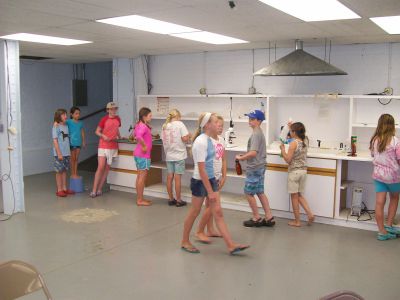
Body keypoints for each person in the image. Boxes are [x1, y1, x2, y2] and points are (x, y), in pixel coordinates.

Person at [181, 112, 249, 255]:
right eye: (214, 122)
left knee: (218, 212)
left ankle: (230, 245)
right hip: (200, 181)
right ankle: (185, 241)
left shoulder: (211, 140)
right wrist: (210, 191)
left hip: (211, 180)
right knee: (194, 212)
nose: (217, 124)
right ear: (207, 125)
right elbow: (201, 168)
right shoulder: (200, 142)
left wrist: (218, 181)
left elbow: (218, 160)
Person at [235, 110, 275, 228]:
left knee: (248, 193)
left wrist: (241, 157)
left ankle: (256, 218)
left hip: (254, 168)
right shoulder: (258, 132)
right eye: (249, 119)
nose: (250, 121)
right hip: (260, 166)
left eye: (252, 119)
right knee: (260, 192)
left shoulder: (256, 134)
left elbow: (253, 153)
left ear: (259, 121)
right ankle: (269, 217)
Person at [370, 113, 400, 241]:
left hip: (378, 176)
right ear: (392, 126)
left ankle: (382, 231)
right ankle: (389, 225)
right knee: (394, 198)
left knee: (379, 203)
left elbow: (372, 154)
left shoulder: (375, 140)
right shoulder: (396, 141)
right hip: (393, 177)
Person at [196, 115, 226, 242]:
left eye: (221, 126)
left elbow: (223, 158)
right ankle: (200, 230)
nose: (220, 128)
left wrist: (224, 176)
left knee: (209, 205)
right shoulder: (206, 141)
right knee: (212, 207)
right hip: (209, 177)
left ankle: (210, 229)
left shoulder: (221, 140)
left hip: (217, 176)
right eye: (218, 125)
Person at [280, 122, 314, 227]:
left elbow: (288, 160)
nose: (289, 133)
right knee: (299, 195)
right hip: (303, 172)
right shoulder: (305, 141)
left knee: (294, 197)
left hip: (294, 172)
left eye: (291, 131)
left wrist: (282, 150)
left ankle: (297, 221)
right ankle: (310, 214)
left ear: (294, 132)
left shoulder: (293, 143)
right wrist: (289, 126)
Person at [90, 102, 121, 198]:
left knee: (107, 168)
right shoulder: (104, 119)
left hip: (113, 145)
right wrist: (103, 136)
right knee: (100, 167)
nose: (113, 111)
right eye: (111, 109)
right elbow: (97, 131)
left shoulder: (118, 119)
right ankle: (94, 190)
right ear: (107, 110)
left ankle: (99, 189)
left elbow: (116, 129)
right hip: (103, 146)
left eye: (115, 109)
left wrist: (120, 136)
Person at [161, 109, 190, 207]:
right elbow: (185, 138)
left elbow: (164, 140)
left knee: (169, 177)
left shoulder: (165, 126)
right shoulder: (180, 124)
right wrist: (189, 136)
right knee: (177, 178)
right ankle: (178, 200)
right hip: (179, 155)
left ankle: (170, 199)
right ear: (178, 116)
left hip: (169, 156)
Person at [133, 107, 153, 206]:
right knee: (142, 177)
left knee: (139, 177)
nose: (151, 117)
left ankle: (140, 198)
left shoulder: (139, 125)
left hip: (139, 154)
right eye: (150, 116)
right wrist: (145, 146)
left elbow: (134, 134)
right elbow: (138, 137)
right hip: (143, 155)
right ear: (144, 117)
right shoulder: (143, 126)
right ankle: (140, 200)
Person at [52, 109, 75, 197]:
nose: (65, 116)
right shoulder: (56, 126)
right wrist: (59, 153)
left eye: (66, 114)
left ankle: (65, 188)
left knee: (64, 170)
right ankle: (59, 189)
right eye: (63, 115)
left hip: (66, 153)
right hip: (59, 153)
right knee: (59, 171)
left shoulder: (66, 126)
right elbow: (55, 140)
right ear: (58, 116)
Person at [66, 106, 85, 179]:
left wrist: (83, 141)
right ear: (71, 114)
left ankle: (75, 173)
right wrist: (56, 123)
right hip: (71, 143)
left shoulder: (80, 123)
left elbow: (82, 132)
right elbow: (61, 122)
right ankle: (72, 173)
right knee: (72, 159)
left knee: (76, 159)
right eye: (76, 113)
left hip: (78, 143)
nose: (78, 115)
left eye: (79, 114)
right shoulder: (69, 121)